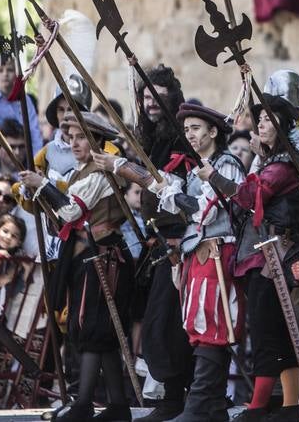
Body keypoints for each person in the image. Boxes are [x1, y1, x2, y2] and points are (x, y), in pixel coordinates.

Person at [118, 101, 245, 422]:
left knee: (213, 326)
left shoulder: (226, 165)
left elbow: (205, 211)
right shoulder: (195, 168)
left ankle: (201, 405)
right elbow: (175, 203)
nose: (190, 134)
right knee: (197, 326)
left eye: (196, 128)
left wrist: (172, 194)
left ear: (213, 131)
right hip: (197, 253)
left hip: (218, 251)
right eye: (186, 129)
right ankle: (213, 407)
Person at [21, 118, 133, 422]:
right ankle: (118, 404)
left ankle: (83, 403)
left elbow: (72, 210)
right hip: (88, 256)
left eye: (82, 137)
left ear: (98, 143)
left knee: (93, 327)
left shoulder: (100, 172)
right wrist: (38, 190)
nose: (74, 143)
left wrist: (43, 184)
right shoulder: (80, 173)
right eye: (71, 137)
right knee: (93, 329)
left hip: (104, 257)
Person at [230, 95, 299, 422]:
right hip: (265, 256)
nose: (260, 124)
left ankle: (260, 406)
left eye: (268, 119)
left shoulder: (282, 165)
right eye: (260, 118)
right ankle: (290, 407)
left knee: (270, 332)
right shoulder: (272, 161)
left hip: (276, 258)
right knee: (275, 332)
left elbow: (250, 197)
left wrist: (217, 175)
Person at [132, 65, 195, 422]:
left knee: (168, 321)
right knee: (160, 319)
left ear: (173, 97)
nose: (150, 102)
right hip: (158, 240)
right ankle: (175, 396)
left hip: (178, 241)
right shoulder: (152, 136)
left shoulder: (179, 139)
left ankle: (178, 396)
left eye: (158, 95)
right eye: (145, 95)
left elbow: (176, 191)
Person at [0, 54, 43, 177]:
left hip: (23, 153)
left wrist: (35, 160)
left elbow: (34, 131)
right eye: (0, 70)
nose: (5, 74)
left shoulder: (25, 101)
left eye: (9, 70)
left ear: (16, 74)